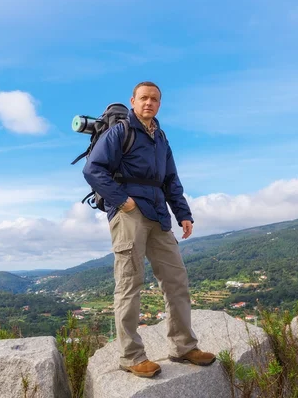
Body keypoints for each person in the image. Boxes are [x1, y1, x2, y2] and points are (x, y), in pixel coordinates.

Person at [82, 81, 215, 378]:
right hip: (130, 213)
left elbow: (171, 180)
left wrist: (183, 213)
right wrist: (123, 201)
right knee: (130, 284)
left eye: (154, 99)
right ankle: (131, 356)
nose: (149, 103)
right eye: (144, 98)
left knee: (176, 280)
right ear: (133, 100)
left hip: (158, 215)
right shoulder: (121, 131)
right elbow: (92, 170)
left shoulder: (161, 138)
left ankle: (183, 347)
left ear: (159, 103)